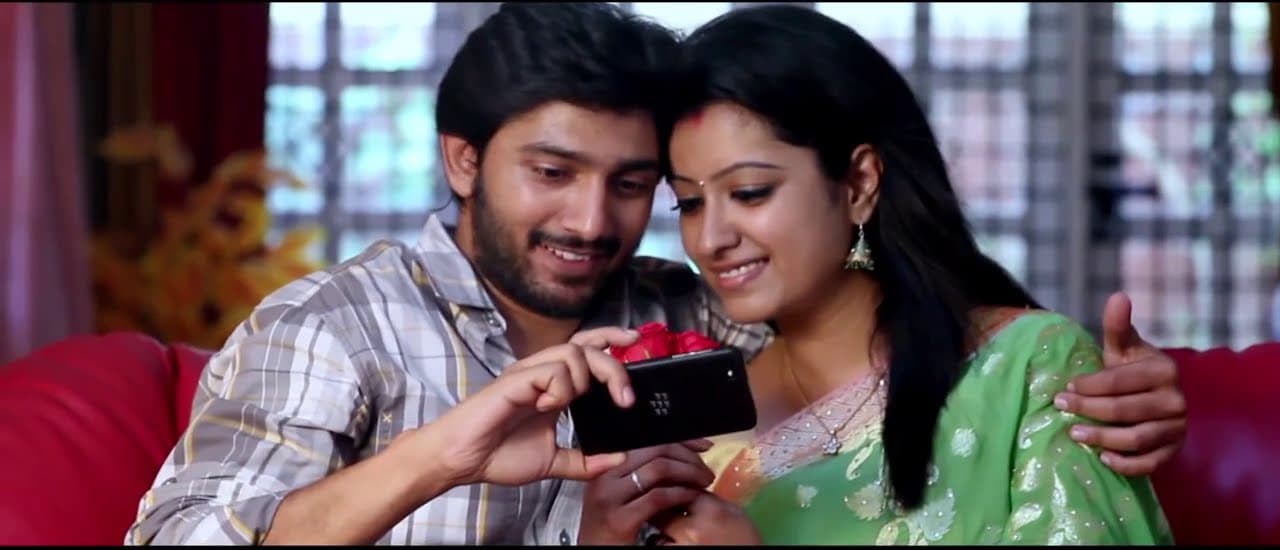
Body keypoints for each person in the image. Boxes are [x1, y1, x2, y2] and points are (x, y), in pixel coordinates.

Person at [127, 3, 1185, 546]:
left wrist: (1116, 388)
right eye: (552, 173)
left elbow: (897, 352)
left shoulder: (697, 323)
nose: (593, 222)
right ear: (462, 160)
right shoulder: (334, 327)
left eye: (637, 186)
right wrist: (443, 455)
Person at [632, 5, 1174, 544]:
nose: (710, 239)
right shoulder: (706, 425)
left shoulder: (1027, 368)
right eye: (689, 204)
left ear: (860, 183)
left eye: (750, 193)